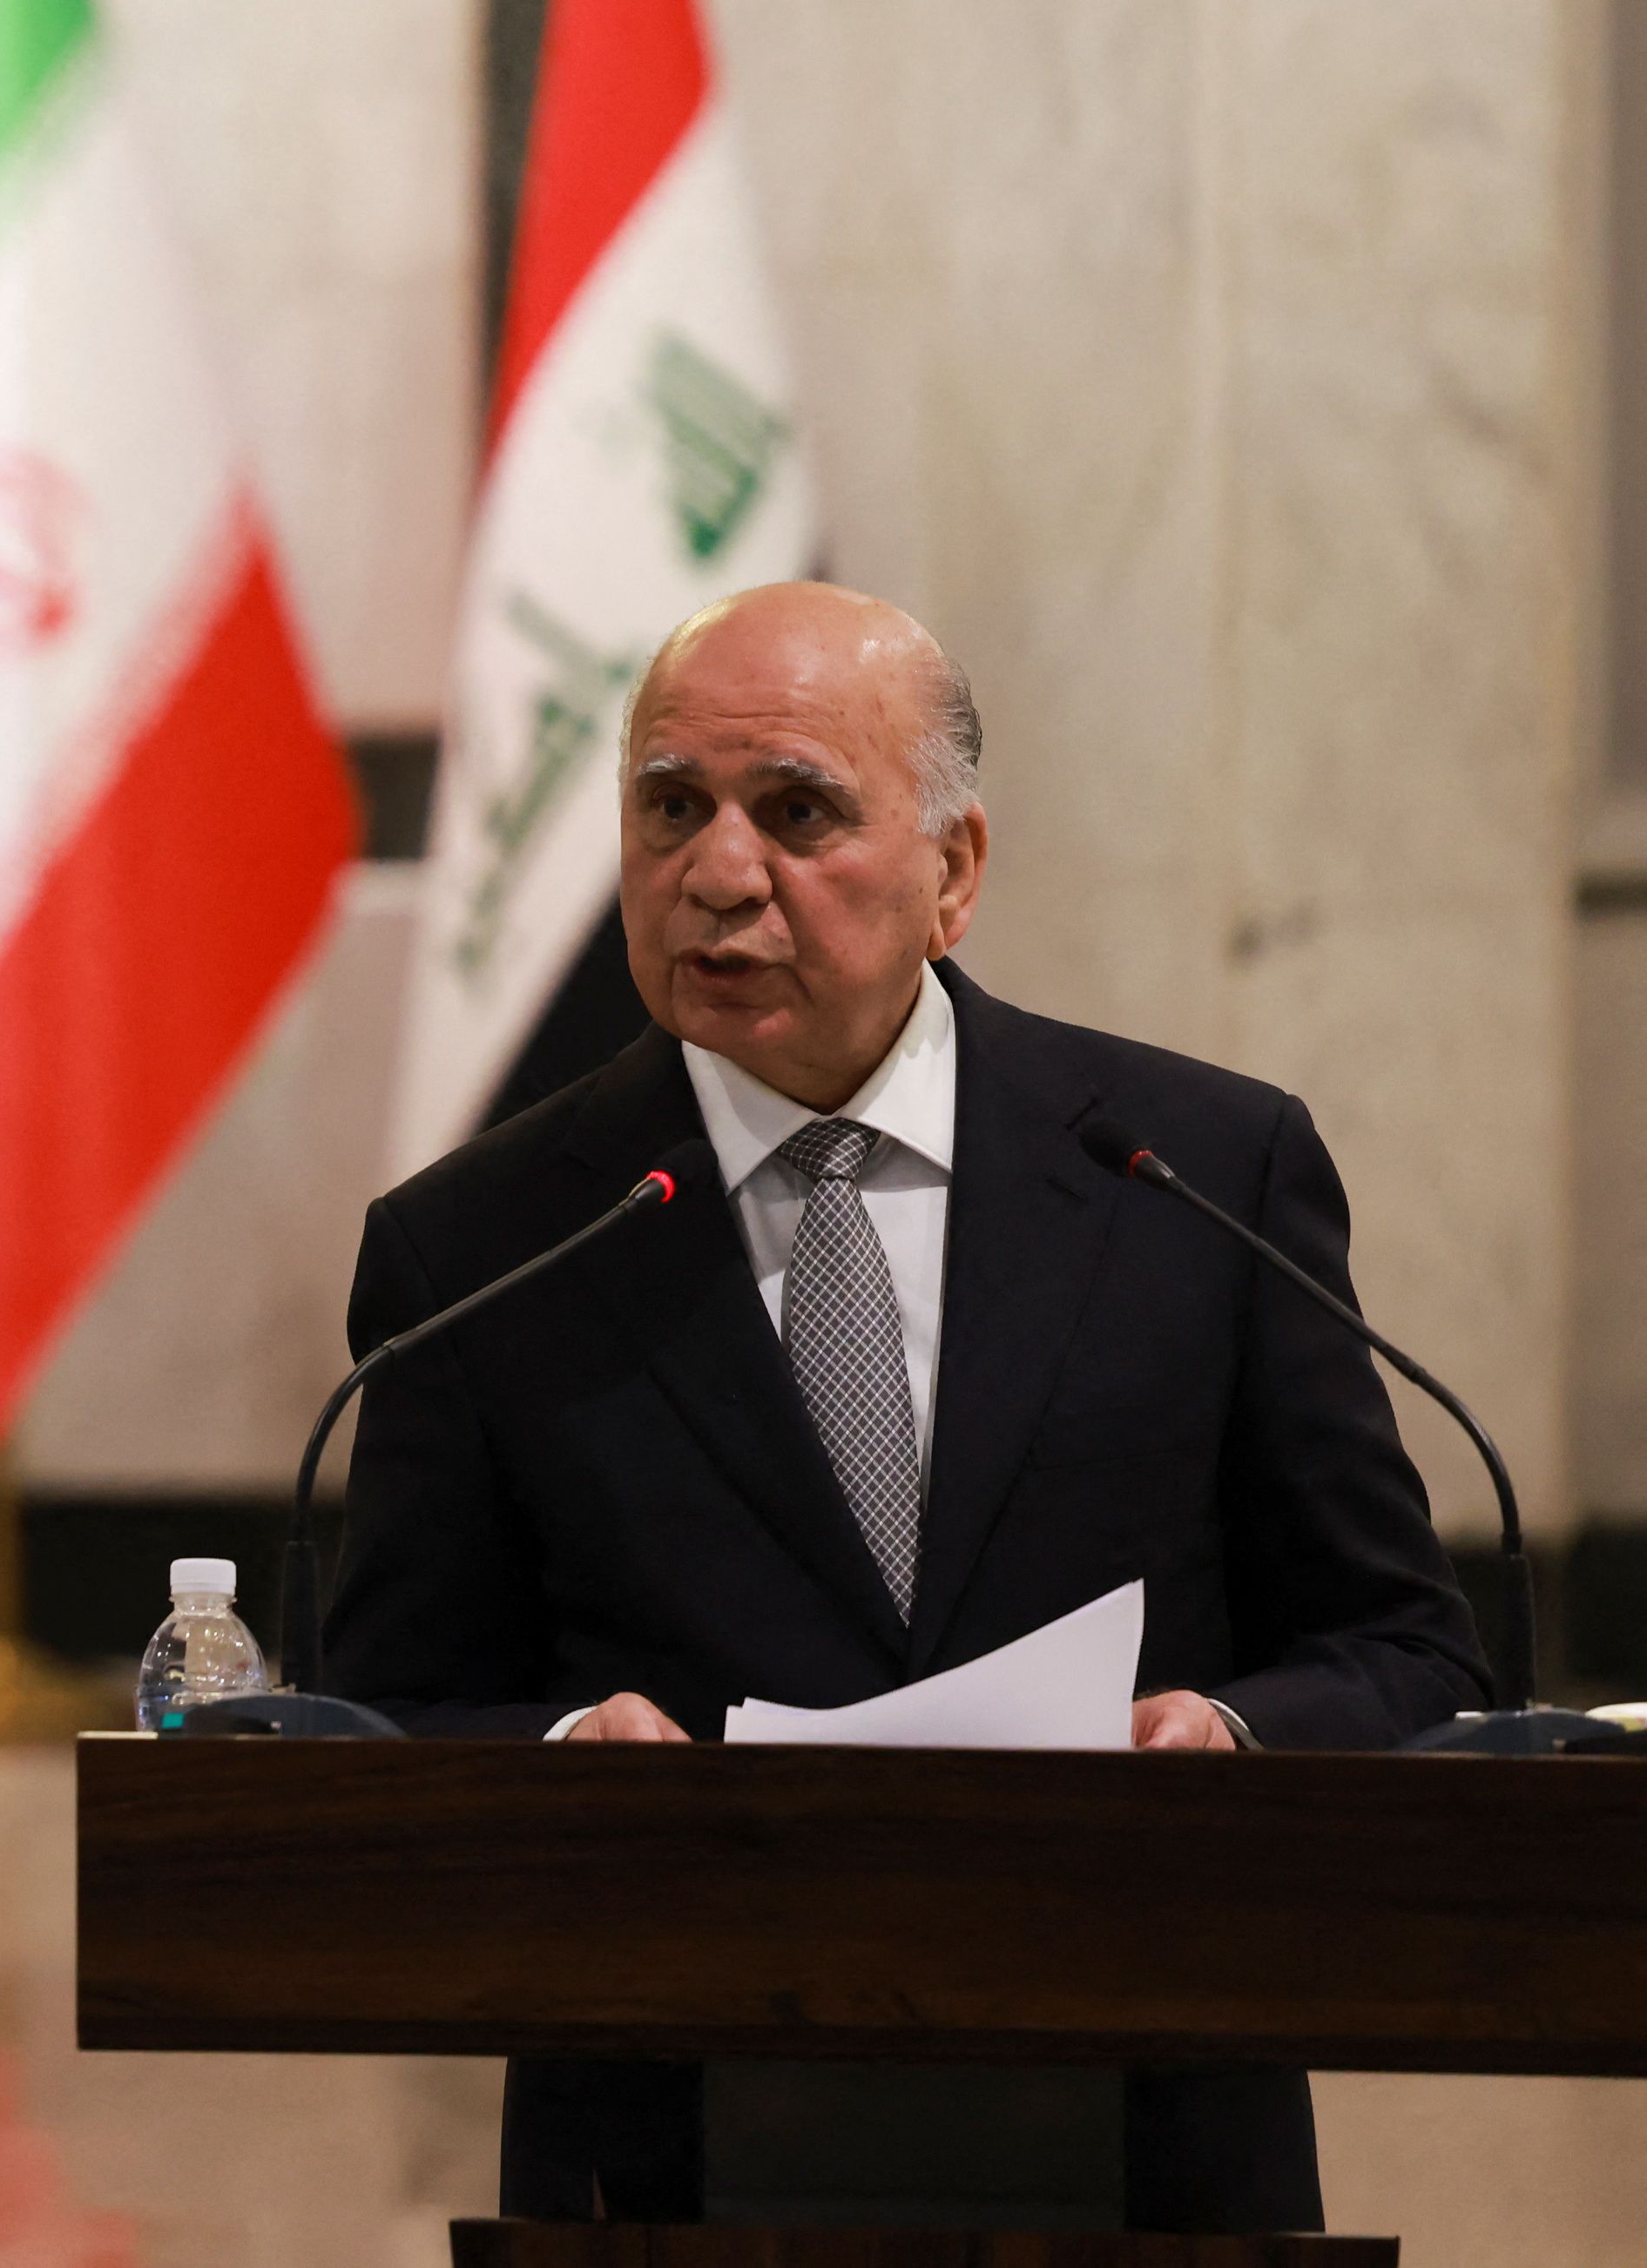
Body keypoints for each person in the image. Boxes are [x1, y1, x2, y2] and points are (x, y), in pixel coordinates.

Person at [327, 581, 1482, 2232]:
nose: (720, 874)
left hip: (1149, 2140)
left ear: (954, 872)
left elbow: (1409, 1654)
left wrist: (1231, 1735)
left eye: (797, 813)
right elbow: (384, 1723)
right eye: (672, 808)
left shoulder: (1194, 1178)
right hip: (665, 2166)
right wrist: (565, 1753)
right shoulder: (485, 1245)